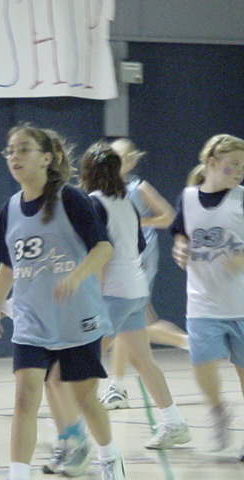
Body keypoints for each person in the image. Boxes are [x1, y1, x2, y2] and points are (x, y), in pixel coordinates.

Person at [0, 123, 125, 480]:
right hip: (31, 319)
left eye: (23, 149)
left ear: (47, 158)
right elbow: (8, 263)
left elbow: (103, 248)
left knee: (83, 398)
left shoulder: (71, 199)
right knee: (24, 399)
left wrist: (76, 276)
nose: (14, 157)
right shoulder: (10, 208)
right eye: (10, 151)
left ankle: (110, 458)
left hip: (76, 317)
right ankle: (18, 474)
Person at [80, 141, 190, 450]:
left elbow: (101, 253)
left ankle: (74, 435)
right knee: (143, 361)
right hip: (135, 290)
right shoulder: (125, 203)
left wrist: (94, 298)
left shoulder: (93, 203)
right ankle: (174, 423)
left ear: (88, 172)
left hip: (112, 293)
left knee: (83, 361)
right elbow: (139, 246)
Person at [100, 138, 188, 410]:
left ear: (131, 161)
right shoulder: (104, 190)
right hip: (118, 263)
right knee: (134, 326)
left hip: (140, 260)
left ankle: (116, 387)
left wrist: (137, 220)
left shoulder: (139, 188)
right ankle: (193, 343)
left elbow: (169, 216)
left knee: (122, 324)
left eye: (121, 158)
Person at [171, 134, 244, 460]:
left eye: (243, 166)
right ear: (212, 163)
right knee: (201, 364)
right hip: (202, 302)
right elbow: (180, 233)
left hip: (240, 304)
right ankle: (218, 410)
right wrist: (180, 246)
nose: (240, 171)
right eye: (234, 164)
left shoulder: (241, 199)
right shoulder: (188, 198)